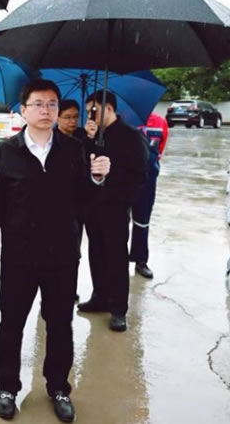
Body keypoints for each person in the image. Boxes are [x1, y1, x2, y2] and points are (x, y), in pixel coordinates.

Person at [0, 79, 110, 423]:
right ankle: (7, 387)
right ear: (23, 110)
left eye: (52, 104)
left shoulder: (73, 150)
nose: (46, 110)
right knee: (12, 323)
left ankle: (59, 387)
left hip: (62, 255)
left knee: (60, 324)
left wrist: (97, 179)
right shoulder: (6, 151)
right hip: (19, 256)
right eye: (38, 104)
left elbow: (85, 202)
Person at [77, 90, 148, 333]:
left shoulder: (131, 136)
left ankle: (118, 308)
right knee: (96, 253)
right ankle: (100, 296)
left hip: (116, 207)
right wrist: (88, 139)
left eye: (93, 110)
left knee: (116, 256)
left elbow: (139, 175)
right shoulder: (93, 135)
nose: (90, 116)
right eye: (88, 111)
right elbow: (83, 164)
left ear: (108, 108)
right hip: (92, 205)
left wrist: (112, 172)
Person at [130, 113, 169, 279]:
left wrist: (151, 167)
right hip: (124, 180)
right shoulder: (124, 119)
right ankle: (117, 259)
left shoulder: (160, 122)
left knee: (142, 221)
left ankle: (140, 260)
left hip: (147, 180)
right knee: (118, 222)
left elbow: (160, 149)